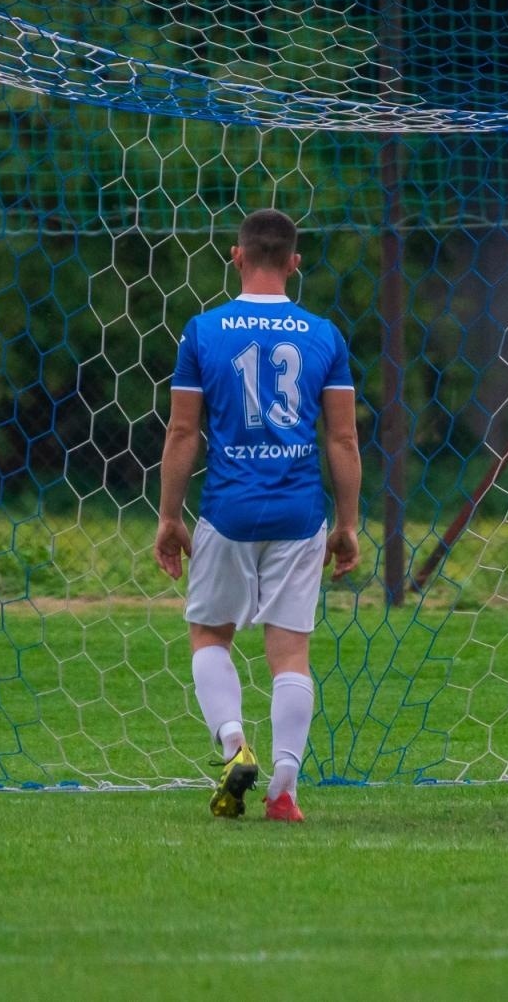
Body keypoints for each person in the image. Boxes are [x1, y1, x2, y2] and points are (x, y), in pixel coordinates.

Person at [155, 208, 360, 822]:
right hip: (300, 513)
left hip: (228, 510)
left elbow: (183, 431)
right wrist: (346, 525)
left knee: (210, 634)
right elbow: (343, 440)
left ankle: (233, 745)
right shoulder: (324, 335)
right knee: (290, 654)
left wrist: (169, 516)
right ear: (295, 262)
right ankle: (284, 789)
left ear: (237, 256)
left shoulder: (203, 331)